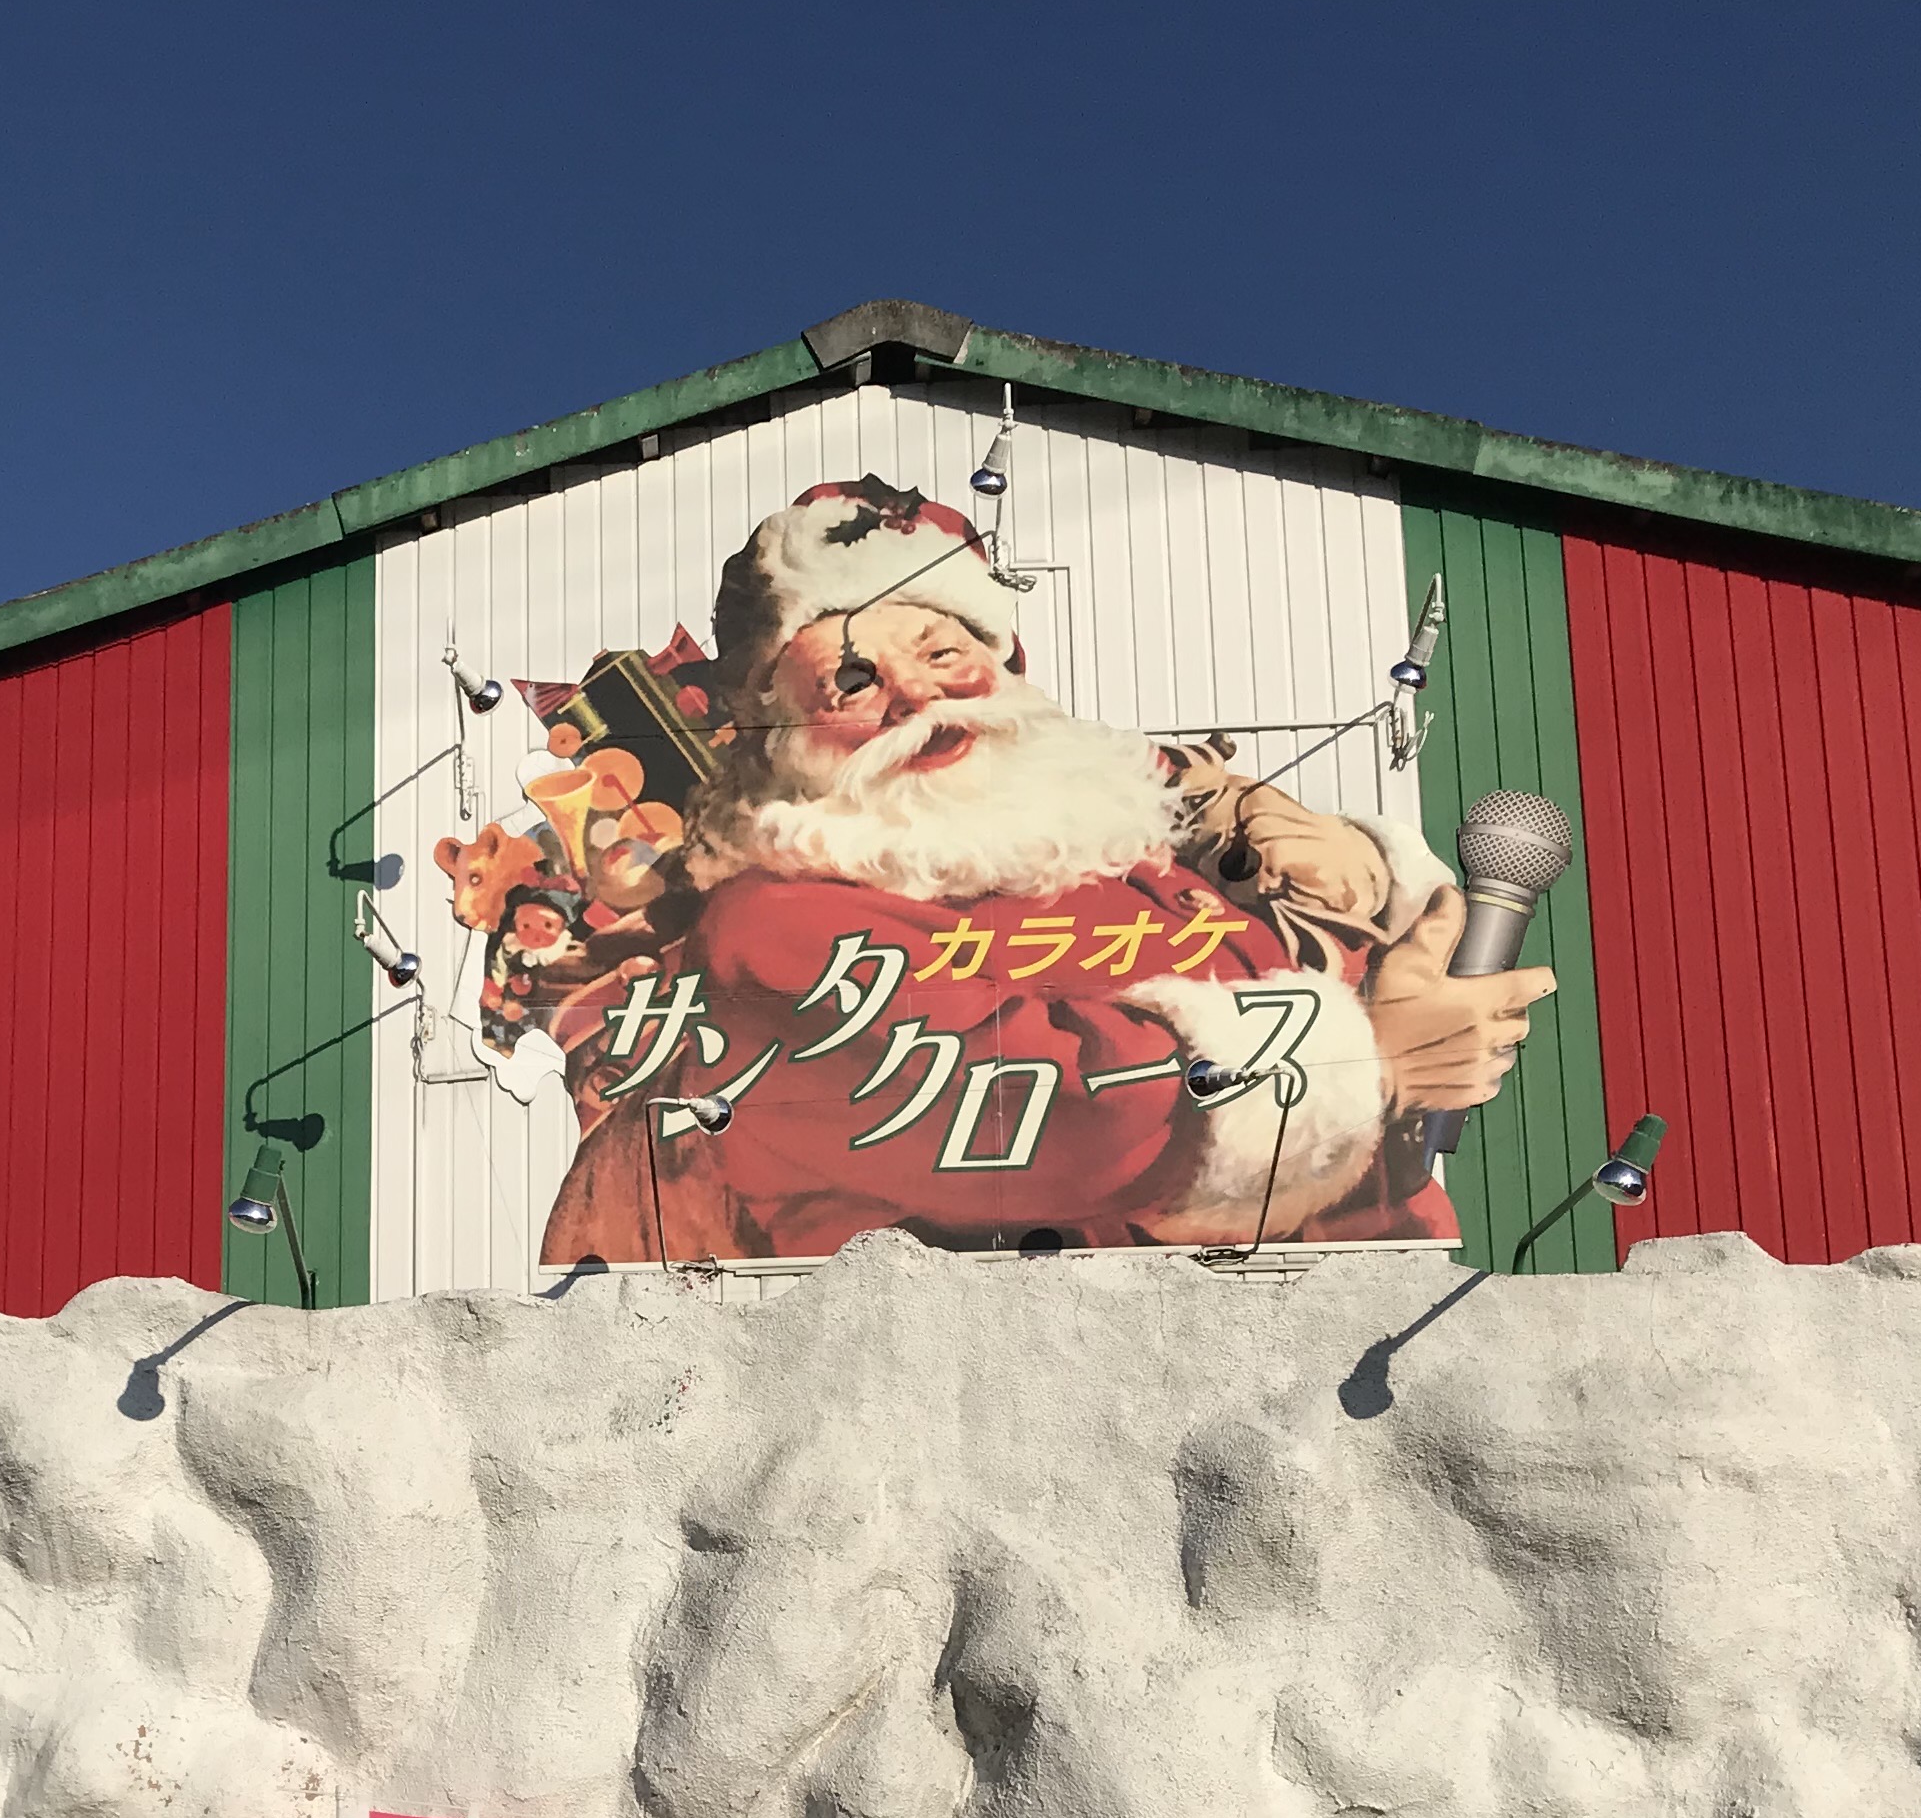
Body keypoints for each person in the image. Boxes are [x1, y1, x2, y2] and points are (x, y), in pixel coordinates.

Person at [539, 479, 1554, 1265]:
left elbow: (1199, 823)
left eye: (943, 651)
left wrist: (1362, 909)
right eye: (850, 679)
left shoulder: (1092, 840)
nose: (915, 699)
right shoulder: (779, 926)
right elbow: (1062, 1108)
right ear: (780, 742)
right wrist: (1364, 1064)